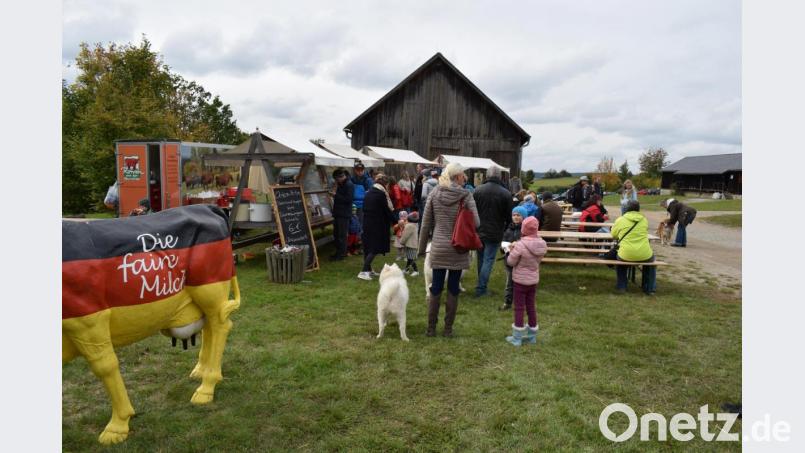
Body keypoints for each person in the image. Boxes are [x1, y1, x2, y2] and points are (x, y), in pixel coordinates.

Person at [418, 163, 480, 337]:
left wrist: (422, 249)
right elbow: (476, 223)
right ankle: (448, 329)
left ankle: (431, 329)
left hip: (438, 246)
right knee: (453, 288)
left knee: (435, 287)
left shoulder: (434, 193)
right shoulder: (466, 195)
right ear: (458, 176)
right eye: (463, 175)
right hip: (458, 248)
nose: (464, 178)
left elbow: (425, 225)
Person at [505, 216, 547, 346]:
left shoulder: (520, 245)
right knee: (531, 307)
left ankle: (517, 338)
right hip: (533, 280)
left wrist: (510, 251)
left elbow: (511, 262)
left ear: (523, 229)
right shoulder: (542, 244)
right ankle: (532, 336)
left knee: (519, 308)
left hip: (520, 281)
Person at [472, 166, 513, 298]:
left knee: (481, 259)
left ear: (487, 176)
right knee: (488, 259)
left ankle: (481, 285)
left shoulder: (477, 191)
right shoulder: (506, 193)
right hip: (495, 231)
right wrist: (505, 227)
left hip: (479, 230)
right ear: (500, 177)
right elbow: (509, 216)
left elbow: (472, 212)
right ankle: (481, 288)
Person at [610, 200, 656, 294]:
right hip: (645, 254)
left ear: (626, 209)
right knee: (651, 261)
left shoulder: (620, 219)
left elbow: (613, 235)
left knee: (620, 262)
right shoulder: (644, 220)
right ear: (638, 209)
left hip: (626, 254)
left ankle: (622, 286)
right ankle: (649, 287)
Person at [358, 174, 395, 280]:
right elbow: (386, 210)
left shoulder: (369, 192)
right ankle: (364, 271)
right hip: (377, 224)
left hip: (367, 222)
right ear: (385, 184)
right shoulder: (380, 194)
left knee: (368, 247)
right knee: (375, 247)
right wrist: (396, 221)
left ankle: (368, 270)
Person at [500, 206, 527, 311]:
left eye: (518, 215)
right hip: (509, 260)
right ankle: (507, 302)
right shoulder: (508, 229)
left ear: (524, 217)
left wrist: (518, 244)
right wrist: (504, 247)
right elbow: (503, 243)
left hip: (521, 261)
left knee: (521, 282)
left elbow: (528, 244)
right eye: (514, 215)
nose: (515, 217)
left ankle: (521, 302)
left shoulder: (525, 230)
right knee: (509, 281)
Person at [330, 168, 354, 261]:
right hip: (338, 213)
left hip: (344, 214)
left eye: (336, 179)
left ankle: (341, 254)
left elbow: (348, 199)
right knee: (336, 234)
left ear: (339, 177)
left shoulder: (349, 185)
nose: (336, 181)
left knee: (342, 235)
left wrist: (335, 195)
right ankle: (338, 252)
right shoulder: (342, 184)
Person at [350, 163, 373, 227]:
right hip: (354, 204)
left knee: (363, 221)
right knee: (355, 221)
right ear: (355, 170)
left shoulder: (368, 179)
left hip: (365, 204)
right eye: (358, 170)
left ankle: (362, 234)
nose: (360, 172)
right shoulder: (352, 179)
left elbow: (371, 192)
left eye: (361, 170)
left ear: (364, 170)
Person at [400, 211, 420, 276]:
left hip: (410, 245)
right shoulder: (416, 224)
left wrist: (401, 242)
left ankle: (416, 270)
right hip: (413, 244)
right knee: (409, 257)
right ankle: (406, 270)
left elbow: (405, 235)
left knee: (411, 258)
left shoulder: (409, 226)